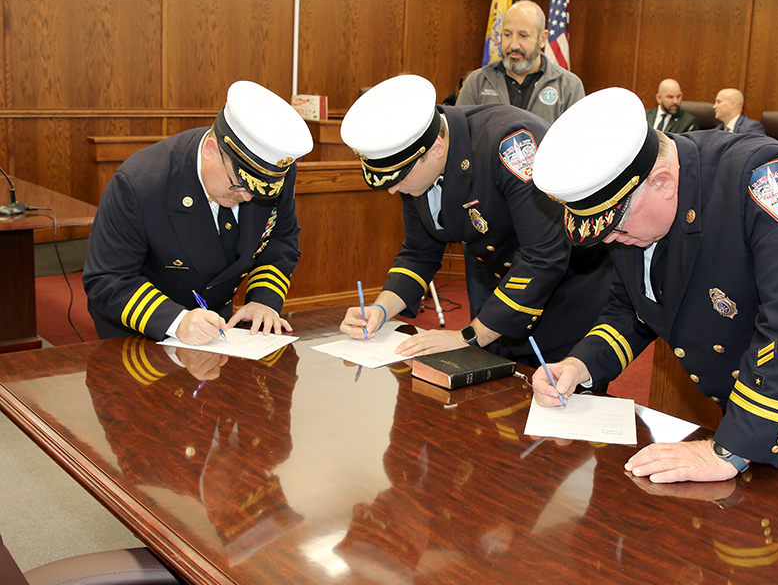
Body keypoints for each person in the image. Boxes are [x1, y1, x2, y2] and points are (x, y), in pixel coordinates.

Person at [530, 87, 778, 493]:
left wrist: (730, 448)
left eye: (617, 226)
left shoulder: (763, 178)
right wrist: (582, 366)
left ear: (663, 182)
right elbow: (633, 307)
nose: (612, 241)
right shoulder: (630, 219)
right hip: (761, 415)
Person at [338, 74, 613, 366]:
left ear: (437, 149)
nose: (392, 189)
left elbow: (544, 255)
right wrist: (381, 309)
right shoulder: (416, 166)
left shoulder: (512, 143)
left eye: (398, 178)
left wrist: (468, 336)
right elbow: (420, 252)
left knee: (554, 396)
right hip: (501, 292)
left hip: (568, 292)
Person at [83, 81, 313, 344]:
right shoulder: (140, 183)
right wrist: (176, 320)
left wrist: (263, 301)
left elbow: (279, 239)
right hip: (138, 334)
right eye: (239, 185)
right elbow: (108, 277)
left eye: (259, 191)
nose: (248, 196)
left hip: (214, 331)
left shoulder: (273, 173)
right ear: (210, 151)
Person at [456, 0, 585, 124]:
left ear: (542, 39)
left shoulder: (569, 87)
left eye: (523, 36)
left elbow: (577, 142)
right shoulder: (477, 82)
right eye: (507, 34)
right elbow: (458, 136)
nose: (513, 45)